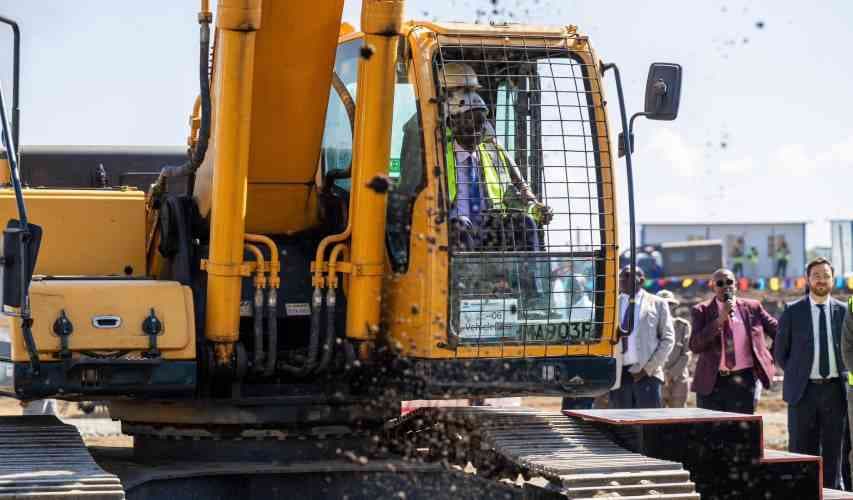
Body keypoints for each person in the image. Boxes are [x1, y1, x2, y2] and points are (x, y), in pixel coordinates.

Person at [439, 62, 552, 251]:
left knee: (524, 225)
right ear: (452, 120)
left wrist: (535, 208)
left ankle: (528, 279)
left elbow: (517, 192)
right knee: (459, 228)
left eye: (480, 122)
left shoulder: (493, 152)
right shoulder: (434, 151)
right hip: (449, 236)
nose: (477, 129)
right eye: (456, 91)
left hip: (488, 233)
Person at [776, 257, 847, 489]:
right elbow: (780, 354)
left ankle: (833, 492)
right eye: (816, 275)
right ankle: (801, 492)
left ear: (832, 279)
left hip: (836, 391)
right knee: (801, 450)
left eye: (826, 275)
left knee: (834, 450)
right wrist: (799, 375)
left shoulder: (844, 311)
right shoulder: (792, 311)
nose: (821, 280)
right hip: (802, 393)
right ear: (808, 279)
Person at [690, 268, 777, 414]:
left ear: (735, 285)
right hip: (712, 382)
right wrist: (719, 319)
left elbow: (780, 332)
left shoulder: (752, 307)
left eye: (729, 282)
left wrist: (767, 357)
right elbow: (695, 345)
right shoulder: (701, 310)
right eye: (720, 283)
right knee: (710, 434)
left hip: (744, 380)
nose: (725, 286)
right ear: (712, 287)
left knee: (741, 433)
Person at [609, 265, 674, 409]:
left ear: (642, 280)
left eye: (627, 276)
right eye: (621, 276)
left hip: (647, 374)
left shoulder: (657, 303)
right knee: (623, 426)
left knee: (648, 426)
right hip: (619, 375)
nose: (622, 279)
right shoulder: (612, 305)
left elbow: (668, 339)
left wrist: (647, 369)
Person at [657, 290, 691, 408]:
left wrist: (671, 374)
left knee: (679, 418)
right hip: (657, 378)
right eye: (662, 303)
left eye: (669, 304)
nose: (666, 306)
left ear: (674, 306)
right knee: (655, 418)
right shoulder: (649, 326)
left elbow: (686, 353)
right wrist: (662, 374)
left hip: (678, 378)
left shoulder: (682, 325)